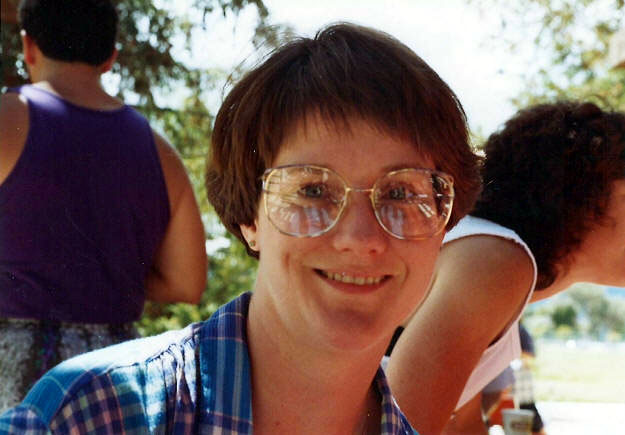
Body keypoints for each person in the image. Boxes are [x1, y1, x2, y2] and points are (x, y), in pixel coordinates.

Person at [0, 22, 482, 433]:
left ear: (444, 224)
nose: (360, 238)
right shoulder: (92, 415)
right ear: (249, 218)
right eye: (313, 189)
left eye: (401, 194)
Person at [0, 0, 207, 411]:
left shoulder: (8, 119)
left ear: (29, 47)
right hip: (114, 376)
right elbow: (187, 282)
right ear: (110, 57)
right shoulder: (160, 152)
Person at [386, 101, 625, 434]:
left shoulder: (498, 269)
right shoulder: (495, 262)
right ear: (581, 193)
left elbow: (461, 425)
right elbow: (399, 429)